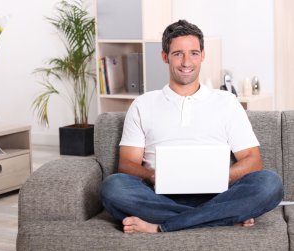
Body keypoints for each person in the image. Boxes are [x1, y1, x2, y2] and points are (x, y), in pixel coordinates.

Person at [100, 20, 283, 233]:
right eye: (178, 53)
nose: (186, 62)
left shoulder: (227, 102)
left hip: (220, 194)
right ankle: (221, 218)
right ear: (164, 56)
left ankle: (162, 226)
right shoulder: (143, 104)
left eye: (194, 53)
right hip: (159, 195)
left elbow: (253, 160)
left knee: (270, 183)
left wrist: (221, 176)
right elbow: (127, 164)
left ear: (203, 56)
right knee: (113, 187)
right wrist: (152, 175)